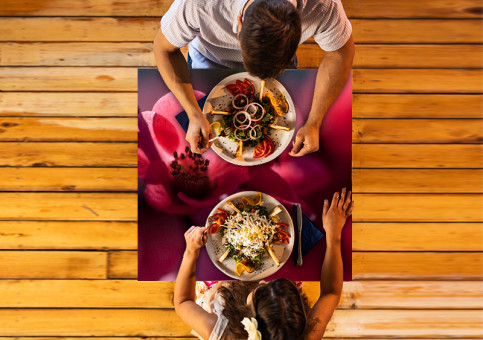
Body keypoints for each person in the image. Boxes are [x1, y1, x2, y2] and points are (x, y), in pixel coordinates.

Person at [154, 0, 355, 156]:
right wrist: (192, 113)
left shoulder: (323, 6)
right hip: (209, 61)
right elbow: (163, 49)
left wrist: (314, 122)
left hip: (281, 71)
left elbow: (341, 54)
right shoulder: (197, 5)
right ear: (239, 24)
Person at [173, 188, 353, 339]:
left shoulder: (222, 333)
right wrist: (334, 234)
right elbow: (331, 293)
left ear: (249, 319)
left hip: (221, 292)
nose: (263, 281)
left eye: (261, 290)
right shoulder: (306, 334)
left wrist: (190, 251)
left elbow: (182, 301)